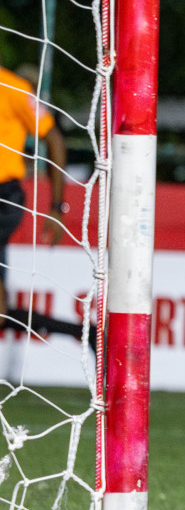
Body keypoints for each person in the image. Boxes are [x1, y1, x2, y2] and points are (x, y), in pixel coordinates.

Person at [0, 62, 84, 342]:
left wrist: (58, 207)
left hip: (3, 198)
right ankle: (81, 332)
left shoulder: (13, 88)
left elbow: (54, 139)